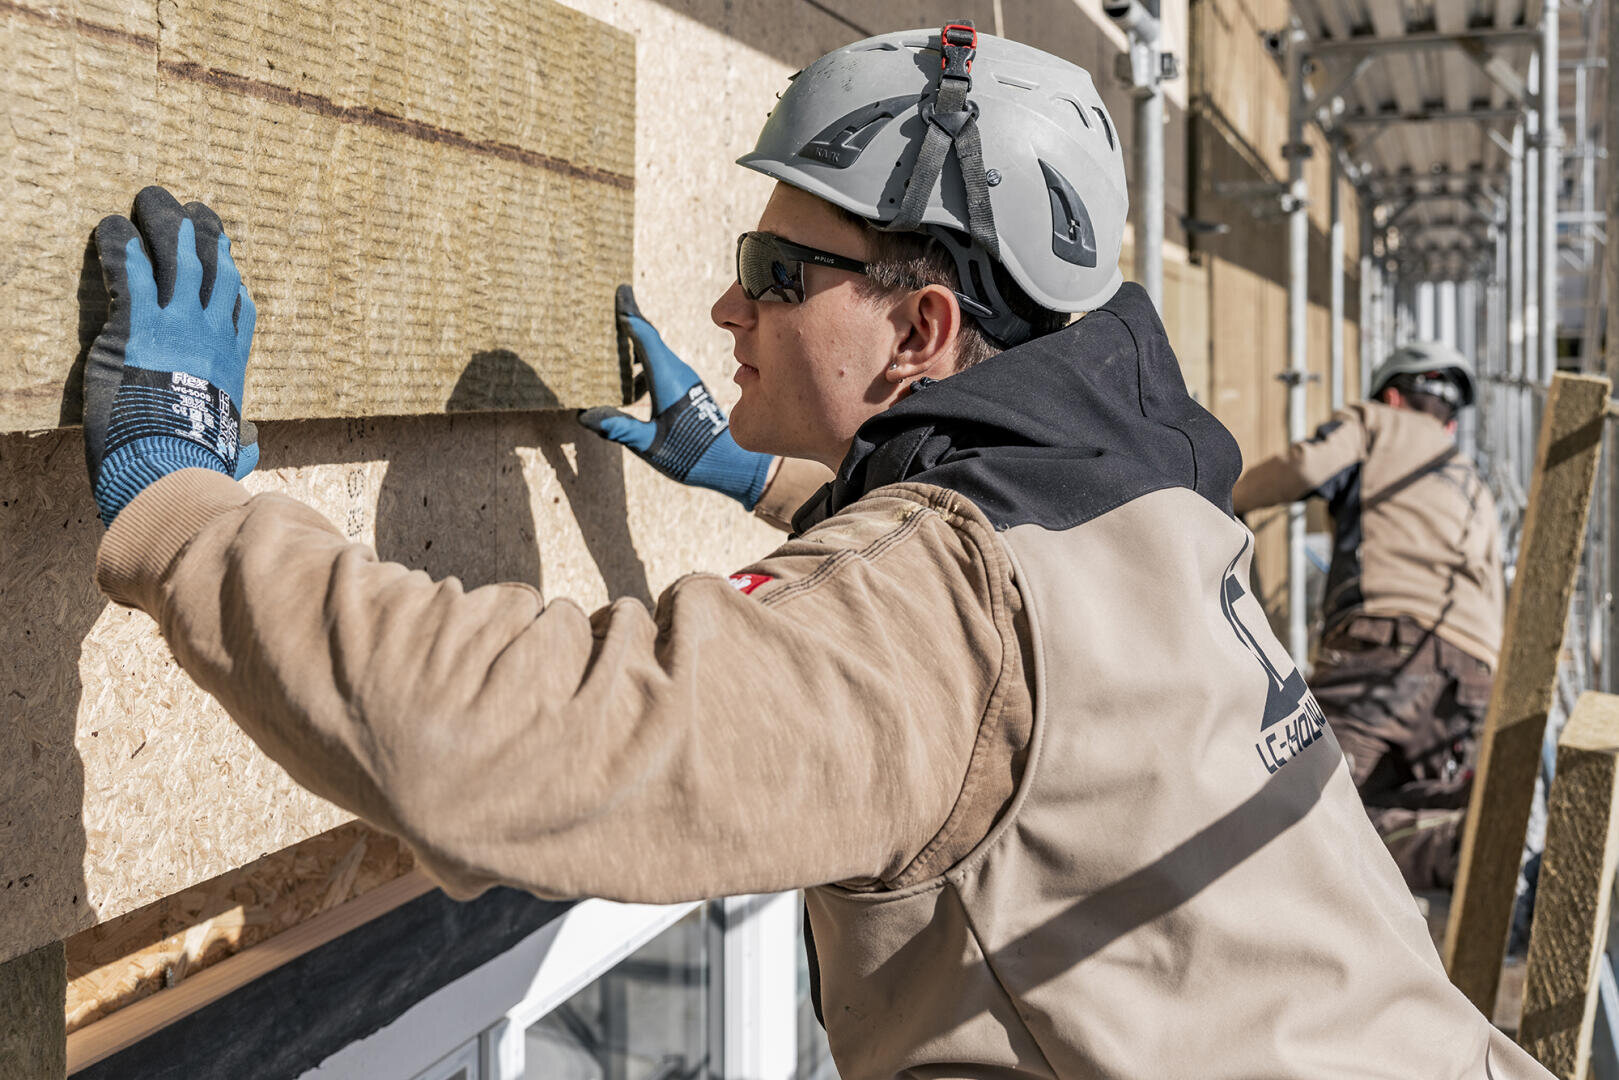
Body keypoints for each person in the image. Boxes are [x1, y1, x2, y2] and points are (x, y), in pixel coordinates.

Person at [82, 23, 1546, 1079]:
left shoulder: (940, 619)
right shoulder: (1155, 495)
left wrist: (180, 500)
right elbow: (1004, 628)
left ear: (920, 334)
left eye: (774, 276)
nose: (727, 312)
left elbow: (506, 749)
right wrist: (769, 478)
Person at [1231, 342, 1502, 893]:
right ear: (1449, 423)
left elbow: (1304, 466)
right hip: (1471, 679)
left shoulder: (1376, 422)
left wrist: (1225, 496)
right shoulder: (1474, 482)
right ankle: (1478, 834)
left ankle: (1462, 852)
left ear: (1394, 395)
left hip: (1386, 646)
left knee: (1294, 811)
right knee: (1378, 813)